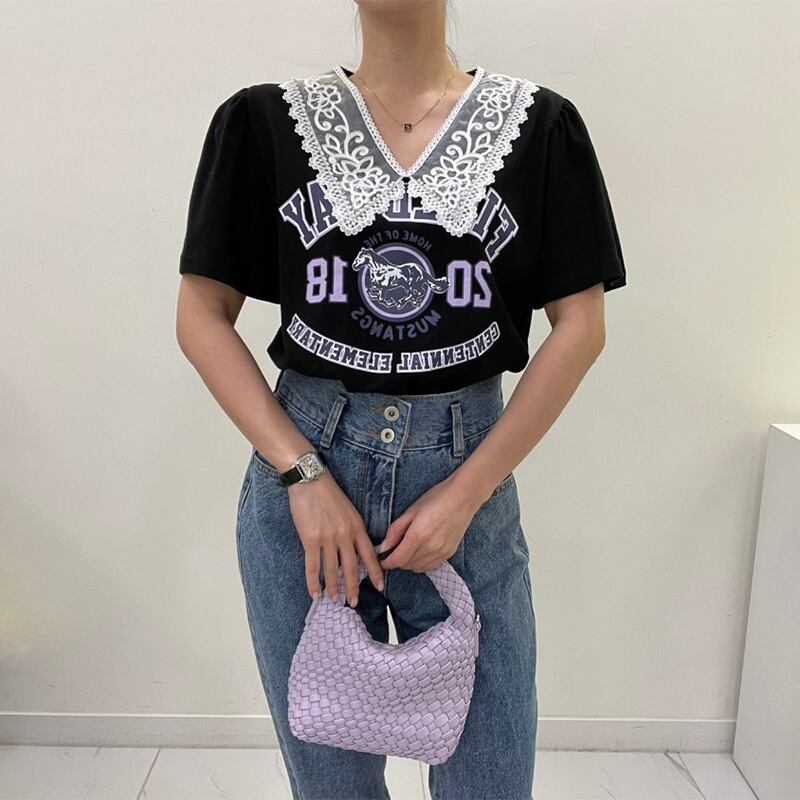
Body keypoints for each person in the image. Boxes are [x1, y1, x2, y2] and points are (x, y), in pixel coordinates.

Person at [175, 1, 626, 797]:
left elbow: (580, 328)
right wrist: (302, 476)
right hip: (307, 480)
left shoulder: (540, 127)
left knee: (489, 777)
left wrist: (467, 493)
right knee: (332, 781)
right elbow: (200, 316)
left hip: (466, 473)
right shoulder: (263, 124)